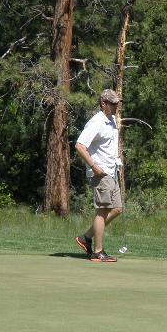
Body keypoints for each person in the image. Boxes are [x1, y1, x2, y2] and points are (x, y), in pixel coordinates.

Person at [74, 89, 123, 263]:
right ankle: (98, 252)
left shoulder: (112, 121)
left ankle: (86, 237)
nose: (116, 106)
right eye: (112, 103)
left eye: (117, 103)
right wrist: (94, 167)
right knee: (102, 211)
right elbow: (80, 146)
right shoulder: (96, 122)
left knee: (117, 209)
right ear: (103, 103)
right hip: (101, 173)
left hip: (111, 171)